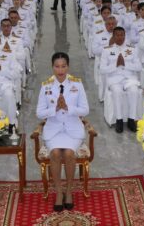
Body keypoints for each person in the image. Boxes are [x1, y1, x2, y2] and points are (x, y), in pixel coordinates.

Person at [36, 52, 89, 212]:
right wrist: (55, 109)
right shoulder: (46, 85)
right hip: (53, 131)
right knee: (55, 154)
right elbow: (39, 113)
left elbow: (85, 110)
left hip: (73, 130)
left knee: (69, 154)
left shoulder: (77, 84)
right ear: (52, 67)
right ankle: (59, 191)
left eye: (63, 66)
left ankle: (69, 190)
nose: (60, 70)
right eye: (57, 66)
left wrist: (68, 107)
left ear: (68, 66)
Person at [100, 26, 142, 133]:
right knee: (117, 92)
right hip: (114, 79)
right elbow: (102, 69)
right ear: (113, 36)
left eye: (122, 35)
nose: (120, 37)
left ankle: (131, 119)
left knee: (134, 91)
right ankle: (119, 120)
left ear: (125, 35)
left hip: (129, 78)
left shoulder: (132, 49)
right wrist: (115, 65)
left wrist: (125, 64)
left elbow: (139, 67)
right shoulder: (106, 50)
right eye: (117, 35)